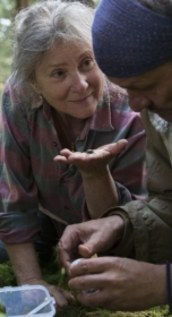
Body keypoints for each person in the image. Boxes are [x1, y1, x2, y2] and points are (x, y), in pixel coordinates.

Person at [0, 0, 147, 307]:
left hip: (113, 226)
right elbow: (13, 198)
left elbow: (134, 218)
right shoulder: (18, 97)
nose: (80, 85)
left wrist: (96, 173)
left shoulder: (130, 101)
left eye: (86, 63)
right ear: (34, 83)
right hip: (45, 216)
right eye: (58, 73)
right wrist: (31, 282)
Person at [57, 0, 172, 312]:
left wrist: (164, 283)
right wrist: (122, 224)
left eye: (145, 86)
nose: (135, 106)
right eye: (124, 90)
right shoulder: (161, 112)